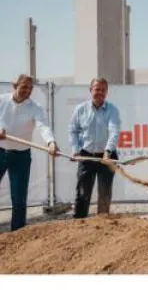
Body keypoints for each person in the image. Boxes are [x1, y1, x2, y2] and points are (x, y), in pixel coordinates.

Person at [0, 74, 58, 231]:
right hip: (0, 151)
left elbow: (43, 126)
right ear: (15, 85)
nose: (27, 91)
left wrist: (51, 142)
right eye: (24, 87)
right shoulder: (2, 100)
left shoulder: (35, 108)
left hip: (21, 156)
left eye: (30, 88)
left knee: (19, 199)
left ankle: (17, 234)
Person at [68, 78, 121, 218]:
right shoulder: (80, 110)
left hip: (107, 157)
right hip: (86, 155)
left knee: (105, 193)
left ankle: (102, 225)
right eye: (97, 89)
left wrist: (108, 151)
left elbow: (114, 131)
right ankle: (79, 224)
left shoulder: (113, 110)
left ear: (107, 92)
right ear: (90, 90)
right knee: (82, 193)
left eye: (103, 90)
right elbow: (73, 131)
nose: (100, 92)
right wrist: (75, 149)